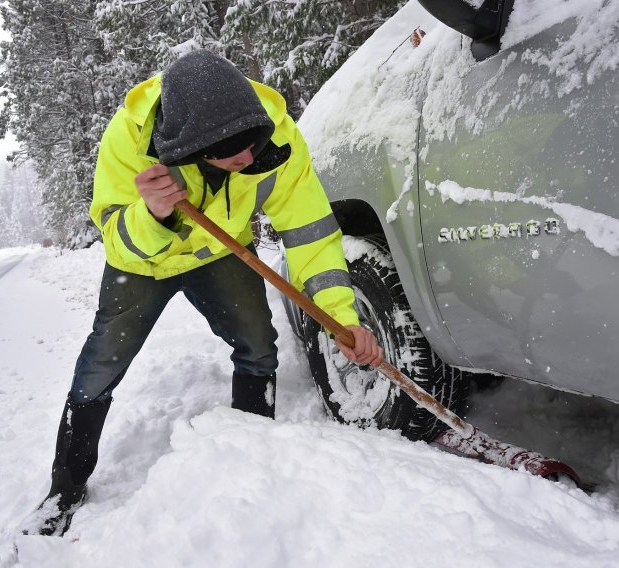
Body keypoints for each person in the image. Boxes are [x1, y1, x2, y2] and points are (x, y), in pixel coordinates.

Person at [21, 49, 383, 537]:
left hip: (221, 252)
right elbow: (115, 237)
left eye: (252, 144)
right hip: (143, 263)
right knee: (101, 364)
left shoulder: (275, 136)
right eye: (231, 153)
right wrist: (150, 215)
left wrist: (340, 316)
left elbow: (311, 233)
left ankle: (253, 449)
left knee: (258, 344)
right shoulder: (130, 139)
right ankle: (65, 486)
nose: (248, 158)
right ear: (194, 147)